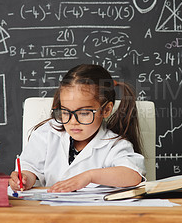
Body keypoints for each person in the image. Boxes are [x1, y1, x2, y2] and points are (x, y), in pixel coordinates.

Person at [9, 64, 145, 192]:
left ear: (106, 110)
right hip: (49, 212)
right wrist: (25, 179)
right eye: (66, 112)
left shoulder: (114, 144)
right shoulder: (47, 133)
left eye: (84, 113)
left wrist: (89, 176)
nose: (73, 121)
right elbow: (31, 169)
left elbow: (133, 175)